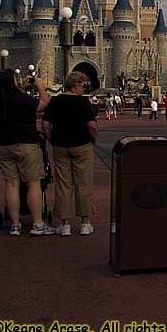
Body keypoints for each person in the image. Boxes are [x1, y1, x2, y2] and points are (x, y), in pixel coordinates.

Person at [0, 69, 56, 236]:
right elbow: (43, 105)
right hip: (25, 144)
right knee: (33, 183)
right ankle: (38, 224)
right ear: (12, 82)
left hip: (3, 146)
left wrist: (23, 89)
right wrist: (39, 86)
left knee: (11, 185)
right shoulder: (21, 99)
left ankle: (15, 225)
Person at [42, 71, 98, 236]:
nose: (83, 89)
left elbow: (45, 124)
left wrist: (51, 138)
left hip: (60, 146)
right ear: (74, 86)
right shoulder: (82, 102)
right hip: (82, 146)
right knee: (84, 184)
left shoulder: (56, 101)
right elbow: (92, 126)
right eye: (82, 86)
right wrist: (93, 140)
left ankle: (64, 225)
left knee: (63, 185)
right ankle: (85, 224)